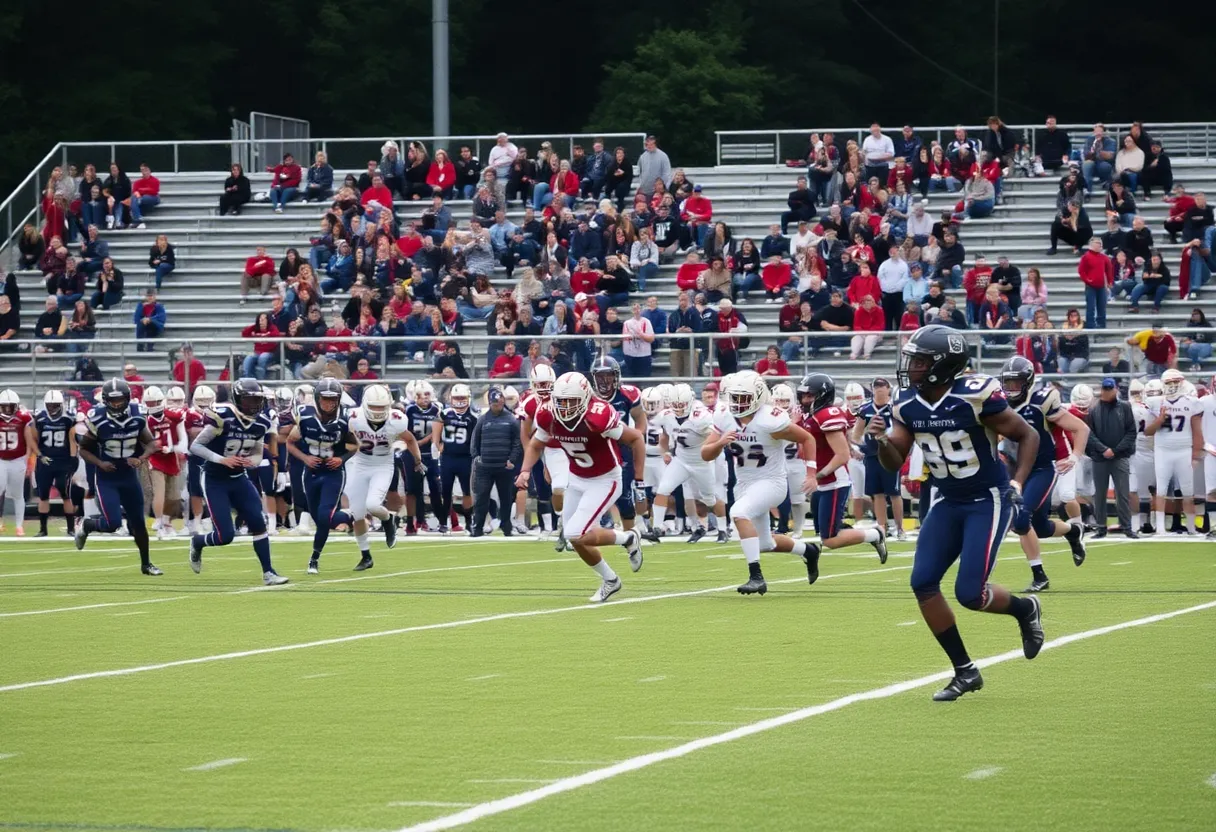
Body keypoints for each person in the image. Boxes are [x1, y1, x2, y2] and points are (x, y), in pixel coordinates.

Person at [872, 325, 1044, 701]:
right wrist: (882, 440)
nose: (911, 368)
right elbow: (894, 461)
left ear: (942, 365)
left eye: (919, 361)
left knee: (970, 593)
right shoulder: (907, 403)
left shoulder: (975, 396)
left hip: (987, 499)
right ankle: (965, 671)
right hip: (947, 500)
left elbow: (1028, 435)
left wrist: (1017, 484)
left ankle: (1025, 608)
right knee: (923, 583)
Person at [515, 373, 646, 600]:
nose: (565, 408)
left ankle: (629, 538)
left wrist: (640, 479)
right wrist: (525, 469)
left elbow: (635, 438)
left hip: (605, 478)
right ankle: (611, 578)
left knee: (577, 532)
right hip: (576, 476)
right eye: (561, 401)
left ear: (585, 398)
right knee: (573, 537)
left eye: (571, 401)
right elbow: (536, 444)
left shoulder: (599, 415)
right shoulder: (547, 413)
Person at [698, 371, 819, 594]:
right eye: (734, 397)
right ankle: (809, 550)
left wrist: (811, 473)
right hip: (744, 483)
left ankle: (756, 576)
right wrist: (720, 443)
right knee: (765, 544)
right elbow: (705, 454)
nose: (737, 403)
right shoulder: (724, 415)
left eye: (743, 397)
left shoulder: (770, 419)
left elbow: (807, 437)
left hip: (772, 481)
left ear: (758, 396)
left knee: (739, 512)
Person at [997, 357, 1092, 592]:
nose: (1011, 389)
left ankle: (1039, 575)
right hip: (1015, 469)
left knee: (1020, 519)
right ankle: (1073, 531)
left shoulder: (1041, 402)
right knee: (1039, 527)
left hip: (1041, 468)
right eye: (1007, 383)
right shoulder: (997, 403)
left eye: (1016, 383)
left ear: (1028, 382)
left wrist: (1075, 456)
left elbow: (1081, 428)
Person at [182, 378, 284, 583]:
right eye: (248, 400)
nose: (253, 405)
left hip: (239, 478)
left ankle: (268, 572)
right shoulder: (223, 417)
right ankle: (198, 541)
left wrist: (250, 462)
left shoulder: (262, 423)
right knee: (224, 536)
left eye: (256, 400)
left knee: (258, 523)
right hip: (214, 479)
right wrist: (223, 459)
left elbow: (257, 453)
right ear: (238, 399)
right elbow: (196, 447)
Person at [73, 379, 162, 575]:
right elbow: (84, 449)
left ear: (127, 398)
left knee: (138, 522)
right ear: (105, 401)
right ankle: (87, 524)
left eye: (120, 400)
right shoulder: (98, 418)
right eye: (112, 401)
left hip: (129, 476)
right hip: (107, 478)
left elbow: (151, 444)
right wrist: (99, 463)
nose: (116, 404)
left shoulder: (137, 416)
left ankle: (146, 564)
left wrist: (141, 459)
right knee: (113, 523)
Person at [797, 373, 890, 557]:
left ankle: (875, 534)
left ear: (822, 395)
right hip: (825, 482)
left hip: (834, 482)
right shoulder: (811, 416)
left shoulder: (826, 415)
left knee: (830, 539)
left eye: (810, 395)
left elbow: (842, 455)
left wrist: (817, 476)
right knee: (826, 533)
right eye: (803, 395)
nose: (805, 399)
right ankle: (873, 533)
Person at [342, 384, 421, 568]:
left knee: (373, 505)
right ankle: (365, 555)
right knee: (358, 513)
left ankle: (388, 519)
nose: (378, 411)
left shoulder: (397, 419)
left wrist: (417, 460)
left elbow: (409, 439)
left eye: (381, 407)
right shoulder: (354, 417)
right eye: (374, 407)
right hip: (359, 463)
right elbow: (344, 441)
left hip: (383, 464)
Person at [283, 378, 356, 572]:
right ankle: (314, 558)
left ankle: (355, 515)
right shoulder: (305, 416)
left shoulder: (344, 419)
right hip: (311, 472)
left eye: (333, 399)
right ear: (317, 398)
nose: (329, 403)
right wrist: (305, 458)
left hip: (333, 473)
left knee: (325, 514)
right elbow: (289, 443)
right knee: (320, 519)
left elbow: (355, 445)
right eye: (325, 398)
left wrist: (342, 459)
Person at [646, 383, 729, 543]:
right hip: (682, 460)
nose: (678, 408)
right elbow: (664, 436)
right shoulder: (667, 415)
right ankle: (656, 529)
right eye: (675, 404)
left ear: (690, 401)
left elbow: (716, 435)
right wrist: (667, 452)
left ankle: (723, 529)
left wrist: (712, 453)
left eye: (681, 404)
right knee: (663, 489)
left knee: (710, 499)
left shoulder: (702, 416)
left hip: (701, 462)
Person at [1145, 369, 1203, 535]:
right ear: (1163, 384)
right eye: (1169, 382)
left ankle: (1191, 527)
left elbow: (1197, 430)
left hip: (1184, 449)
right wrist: (1160, 420)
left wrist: (1195, 454)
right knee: (1161, 489)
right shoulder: (1156, 402)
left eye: (1175, 382)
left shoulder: (1191, 402)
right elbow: (1148, 431)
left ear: (1181, 383)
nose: (1172, 386)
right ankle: (1161, 528)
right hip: (1163, 450)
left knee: (1187, 491)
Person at [469, 386, 522, 537]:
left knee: (506, 498)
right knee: (481, 498)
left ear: (503, 401)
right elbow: (475, 440)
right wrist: (476, 457)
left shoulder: (511, 419)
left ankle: (506, 527)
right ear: (490, 402)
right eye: (494, 403)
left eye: (498, 402)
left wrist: (512, 459)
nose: (496, 405)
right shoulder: (483, 419)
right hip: (484, 467)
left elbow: (516, 442)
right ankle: (477, 527)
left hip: (504, 467)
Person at [29, 389, 77, 537]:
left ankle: (71, 528)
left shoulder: (68, 418)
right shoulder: (40, 418)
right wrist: (39, 455)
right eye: (49, 405)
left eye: (55, 405)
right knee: (43, 495)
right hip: (45, 461)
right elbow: (33, 439)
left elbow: (72, 439)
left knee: (65, 493)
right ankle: (43, 529)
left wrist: (73, 458)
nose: (52, 408)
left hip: (63, 461)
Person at [432, 383, 477, 534]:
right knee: (446, 491)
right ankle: (443, 522)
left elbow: (477, 438)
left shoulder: (473, 416)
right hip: (448, 458)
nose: (459, 401)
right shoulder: (444, 414)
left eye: (462, 398)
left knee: (467, 491)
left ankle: (469, 521)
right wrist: (438, 446)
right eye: (457, 398)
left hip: (466, 458)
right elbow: (435, 433)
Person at [402, 382, 443, 535]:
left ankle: (442, 521)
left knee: (435, 489)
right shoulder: (409, 410)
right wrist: (413, 444)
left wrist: (423, 442)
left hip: (430, 453)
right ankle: (415, 521)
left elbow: (439, 430)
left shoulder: (437, 409)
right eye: (421, 395)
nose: (425, 398)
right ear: (415, 396)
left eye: (427, 394)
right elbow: (403, 431)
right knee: (413, 490)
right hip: (412, 454)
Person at [0, 391, 31, 535]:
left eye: (10, 406)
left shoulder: (23, 417)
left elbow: (29, 439)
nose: (7, 410)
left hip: (18, 459)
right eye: (4, 406)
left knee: (18, 494)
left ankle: (19, 526)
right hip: (1, 459)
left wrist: (29, 459)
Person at [132, 288, 167, 352]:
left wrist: (150, 319)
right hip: (144, 326)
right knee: (140, 323)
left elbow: (162, 318)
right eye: (148, 296)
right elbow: (136, 319)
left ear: (155, 296)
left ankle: (149, 347)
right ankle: (140, 347)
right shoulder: (141, 305)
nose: (150, 297)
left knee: (150, 325)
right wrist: (142, 308)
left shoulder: (158, 306)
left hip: (155, 325)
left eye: (151, 295)